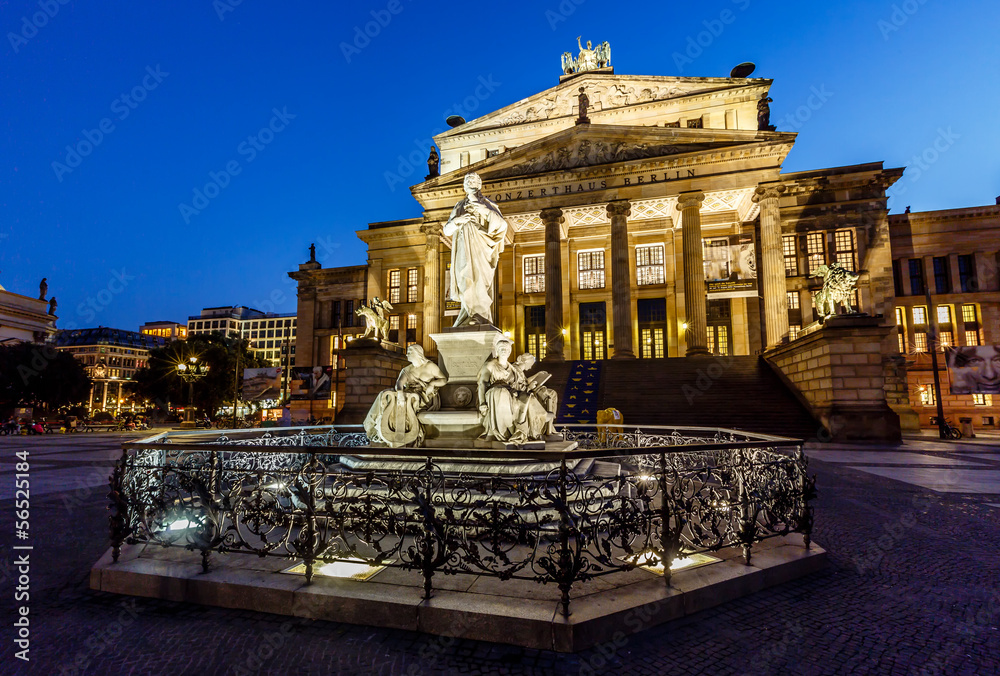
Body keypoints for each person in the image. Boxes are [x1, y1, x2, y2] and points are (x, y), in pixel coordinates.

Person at [442, 172, 509, 327]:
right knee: (465, 280)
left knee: (479, 281)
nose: (470, 182)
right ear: (464, 185)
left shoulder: (487, 204)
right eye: (467, 180)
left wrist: (483, 210)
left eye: (473, 180)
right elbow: (446, 231)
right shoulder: (459, 206)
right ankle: (467, 315)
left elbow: (502, 225)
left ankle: (479, 315)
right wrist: (458, 220)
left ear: (479, 184)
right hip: (464, 250)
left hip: (481, 250)